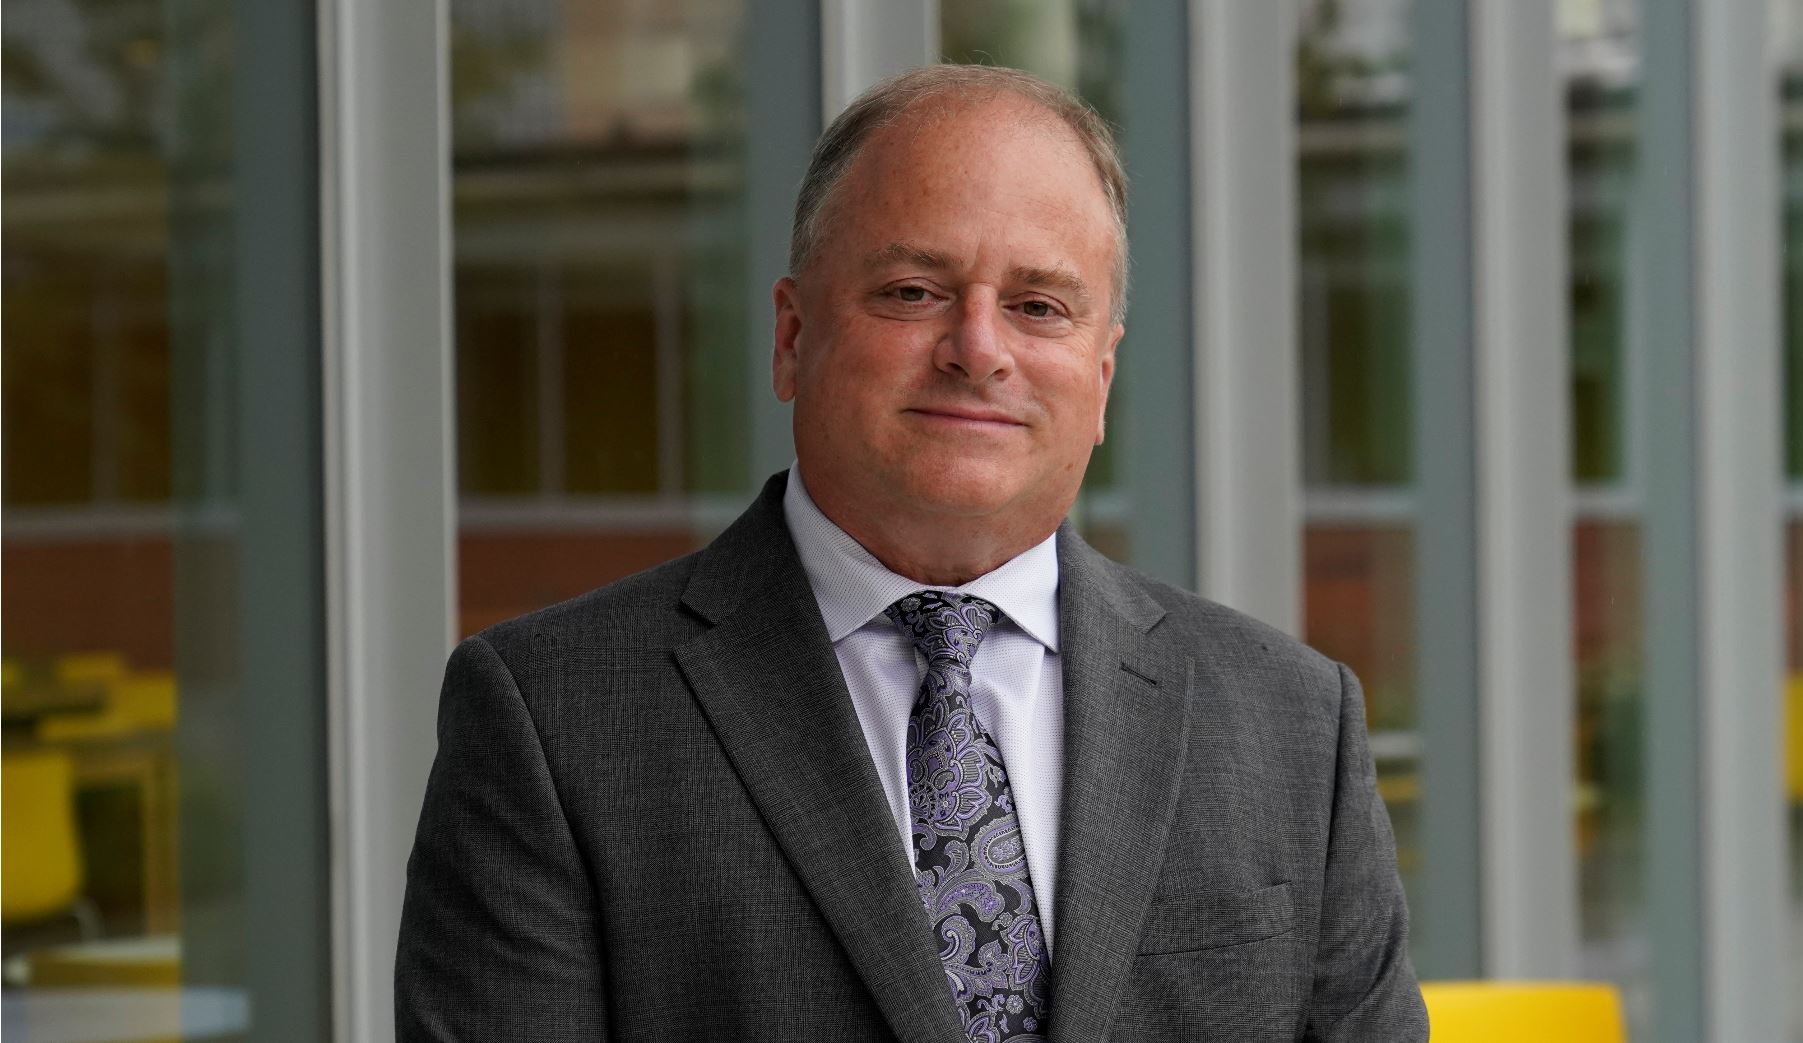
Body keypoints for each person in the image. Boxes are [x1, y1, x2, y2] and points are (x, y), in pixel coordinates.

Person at [395, 64, 1426, 1043]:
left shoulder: (1294, 723)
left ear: (1101, 374)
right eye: (912, 291)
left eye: (1038, 306)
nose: (979, 348)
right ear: (792, 337)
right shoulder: (551, 718)